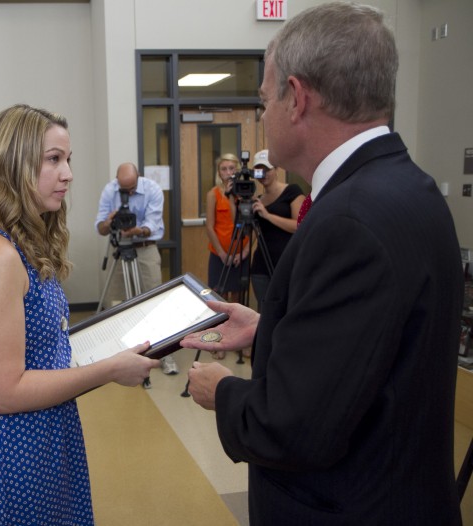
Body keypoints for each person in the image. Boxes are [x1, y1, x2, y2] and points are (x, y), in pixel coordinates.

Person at [180, 3, 464, 525]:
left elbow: (293, 427)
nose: (263, 115)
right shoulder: (410, 190)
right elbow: (367, 352)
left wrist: (220, 392)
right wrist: (270, 331)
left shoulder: (348, 221)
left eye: (264, 100)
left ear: (298, 98)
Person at [0, 104, 159, 525]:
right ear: (13, 162)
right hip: (12, 452)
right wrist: (108, 369)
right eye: (53, 159)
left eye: (68, 159)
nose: (68, 174)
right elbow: (5, 392)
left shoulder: (15, 237)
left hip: (42, 433)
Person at [95, 161, 178, 379]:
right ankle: (121, 355)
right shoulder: (109, 190)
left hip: (145, 248)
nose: (129, 193)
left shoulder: (152, 189)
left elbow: (152, 223)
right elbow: (100, 228)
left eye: (132, 189)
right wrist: (109, 222)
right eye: (124, 190)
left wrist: (137, 230)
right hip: (119, 249)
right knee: (116, 303)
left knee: (155, 302)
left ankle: (164, 354)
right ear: (117, 181)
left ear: (138, 177)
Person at [249, 149, 304, 310]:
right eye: (259, 171)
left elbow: (298, 226)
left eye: (267, 169)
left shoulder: (292, 191)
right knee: (264, 310)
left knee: (287, 310)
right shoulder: (257, 200)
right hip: (261, 265)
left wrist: (267, 215)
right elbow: (252, 233)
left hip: (286, 262)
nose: (264, 174)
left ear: (277, 169)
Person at [205, 153, 251, 303]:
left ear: (237, 170)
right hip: (220, 255)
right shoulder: (213, 194)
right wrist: (222, 253)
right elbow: (210, 226)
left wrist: (244, 252)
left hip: (240, 254)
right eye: (223, 169)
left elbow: (252, 224)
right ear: (219, 172)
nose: (228, 173)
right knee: (219, 296)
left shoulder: (246, 192)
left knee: (238, 298)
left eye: (231, 168)